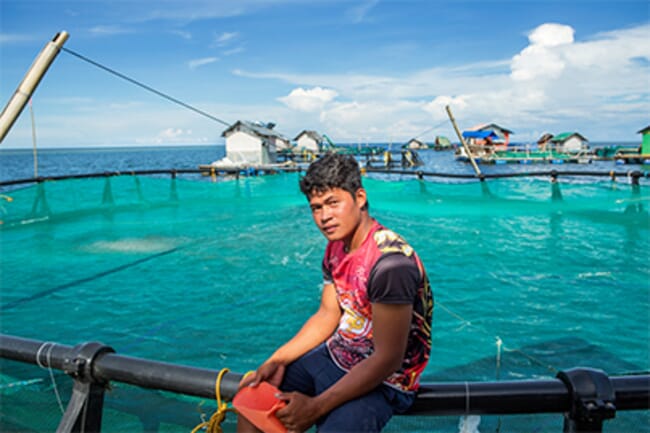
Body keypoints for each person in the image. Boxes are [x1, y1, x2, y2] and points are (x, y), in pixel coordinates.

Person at [237, 153, 433, 433]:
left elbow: (388, 358)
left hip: (383, 381)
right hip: (337, 356)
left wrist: (317, 406)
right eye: (316, 208)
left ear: (360, 197)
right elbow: (328, 314)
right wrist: (276, 360)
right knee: (254, 399)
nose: (324, 217)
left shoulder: (390, 264)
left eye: (332, 203)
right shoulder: (336, 248)